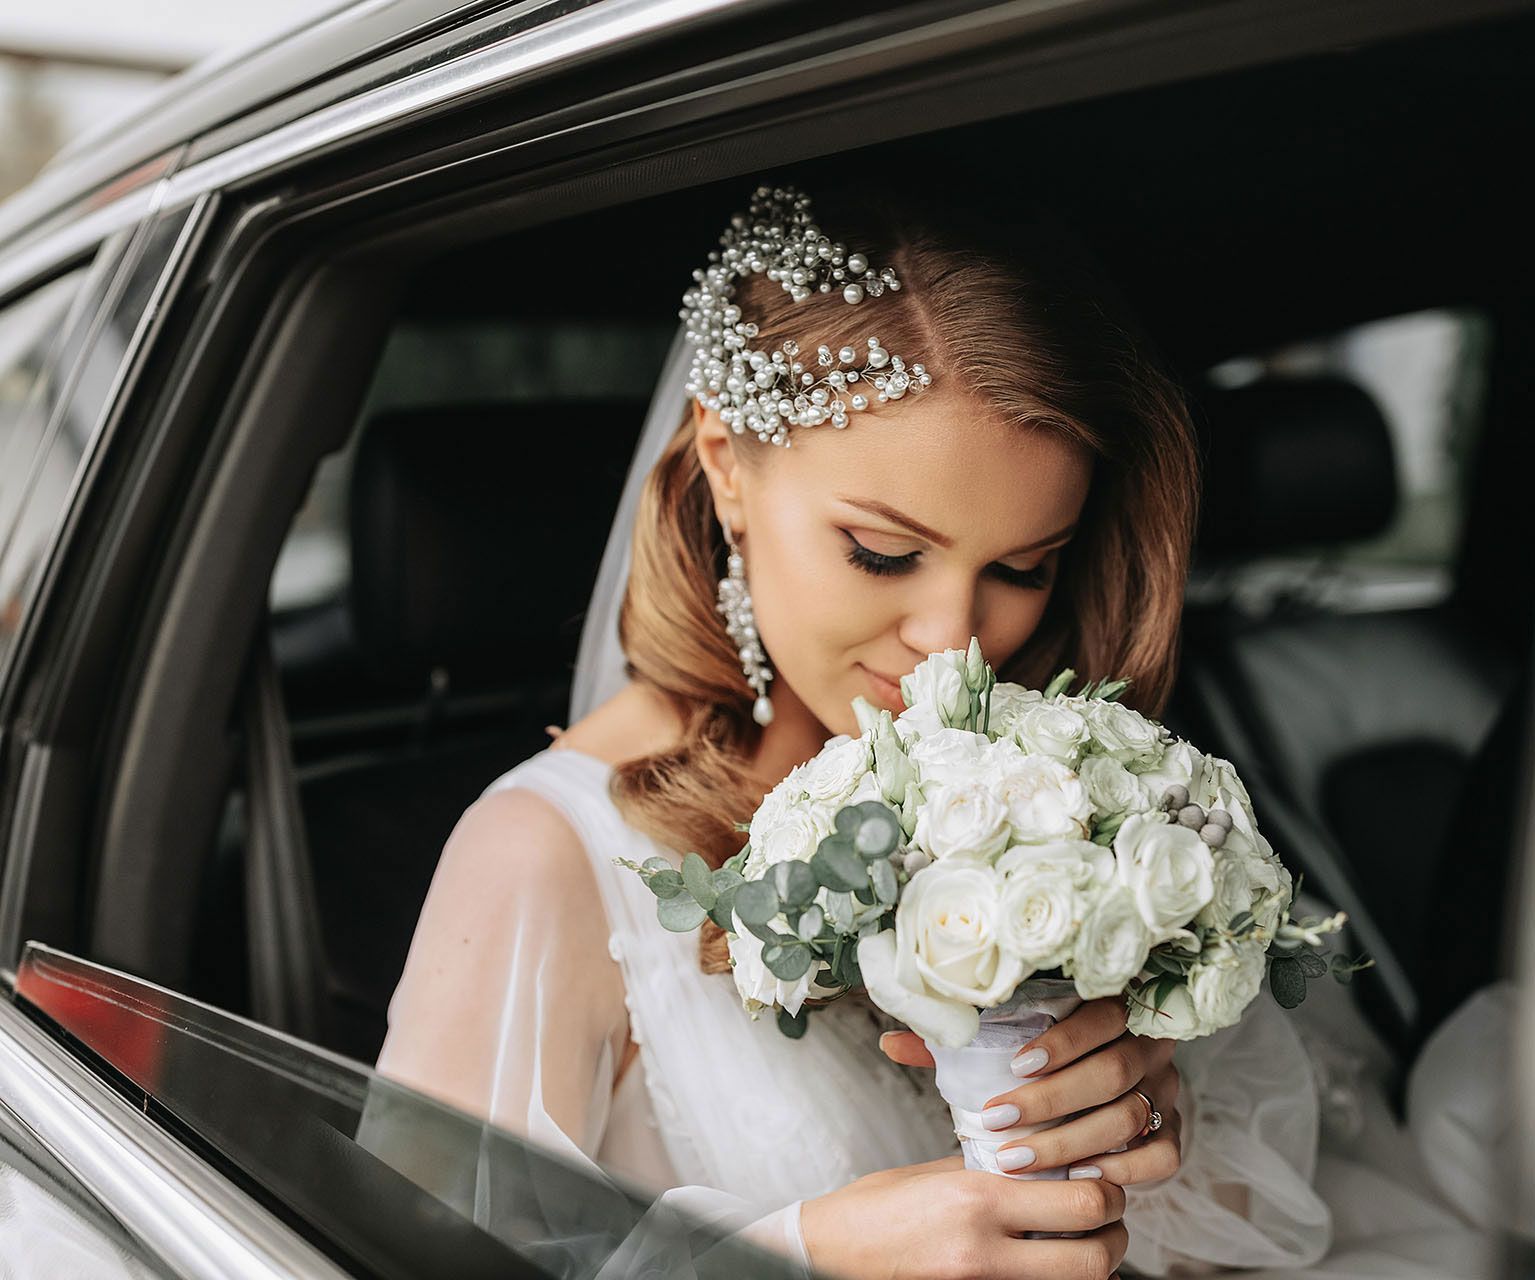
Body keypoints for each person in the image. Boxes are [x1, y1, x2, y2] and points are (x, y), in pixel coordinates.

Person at [372, 182, 1504, 1278]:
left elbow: (1234, 1221)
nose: (956, 642)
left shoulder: (1057, 782)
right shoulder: (539, 859)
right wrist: (799, 1260)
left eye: (1020, 568)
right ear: (726, 469)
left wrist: (1154, 1129)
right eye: (881, 551)